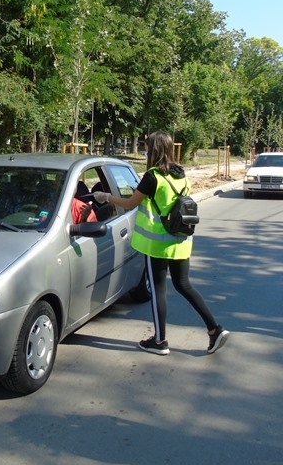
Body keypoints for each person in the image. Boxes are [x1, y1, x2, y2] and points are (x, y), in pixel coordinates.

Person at [93, 130, 229, 355]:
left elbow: (129, 204)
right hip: (180, 240)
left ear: (152, 149)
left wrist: (105, 197)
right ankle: (215, 329)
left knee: (158, 291)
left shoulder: (152, 177)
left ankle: (159, 341)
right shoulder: (181, 174)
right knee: (184, 285)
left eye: (147, 147)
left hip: (156, 244)